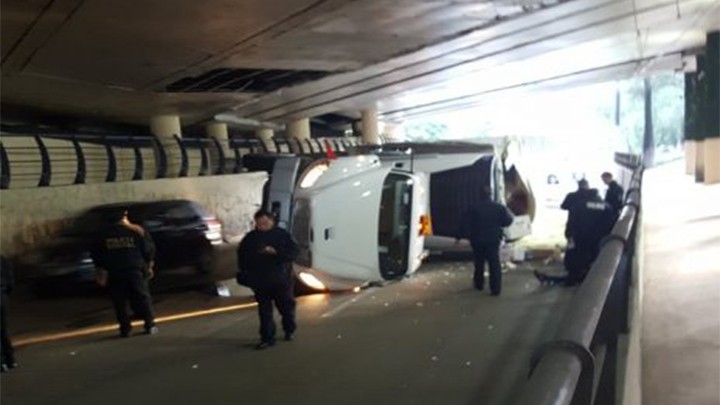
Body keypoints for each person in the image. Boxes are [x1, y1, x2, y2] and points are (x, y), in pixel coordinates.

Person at [91, 208, 157, 338]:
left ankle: (125, 328)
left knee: (119, 301)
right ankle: (149, 324)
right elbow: (148, 250)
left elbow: (97, 254)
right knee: (142, 297)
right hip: (135, 270)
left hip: (114, 271)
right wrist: (149, 266)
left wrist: (101, 272)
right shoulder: (137, 230)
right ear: (124, 216)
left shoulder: (102, 234)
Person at [237, 210, 299, 350]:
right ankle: (267, 337)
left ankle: (289, 329)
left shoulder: (282, 235)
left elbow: (293, 253)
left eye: (265, 223)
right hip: (260, 280)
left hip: (281, 279)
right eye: (259, 223)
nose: (262, 226)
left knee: (286, 307)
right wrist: (246, 273)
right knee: (264, 311)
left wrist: (276, 252)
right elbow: (242, 257)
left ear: (272, 221)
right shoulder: (250, 238)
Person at [535, 189, 615, 286]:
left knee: (575, 261)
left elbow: (572, 222)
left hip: (580, 239)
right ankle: (584, 277)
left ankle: (572, 279)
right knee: (592, 261)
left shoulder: (580, 205)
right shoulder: (607, 206)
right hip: (598, 240)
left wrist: (569, 235)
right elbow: (610, 224)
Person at [459, 188, 514, 296]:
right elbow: (509, 220)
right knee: (494, 263)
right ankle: (495, 289)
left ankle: (479, 284)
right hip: (493, 239)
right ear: (491, 195)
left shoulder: (473, 208)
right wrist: (499, 224)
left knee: (479, 262)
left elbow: (465, 223)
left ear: (479, 195)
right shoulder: (499, 207)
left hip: (477, 239)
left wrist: (462, 235)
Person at [1, 256, 17, 372]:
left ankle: (2, 363)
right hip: (2, 297)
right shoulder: (3, 260)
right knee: (3, 330)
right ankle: (10, 360)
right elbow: (11, 281)